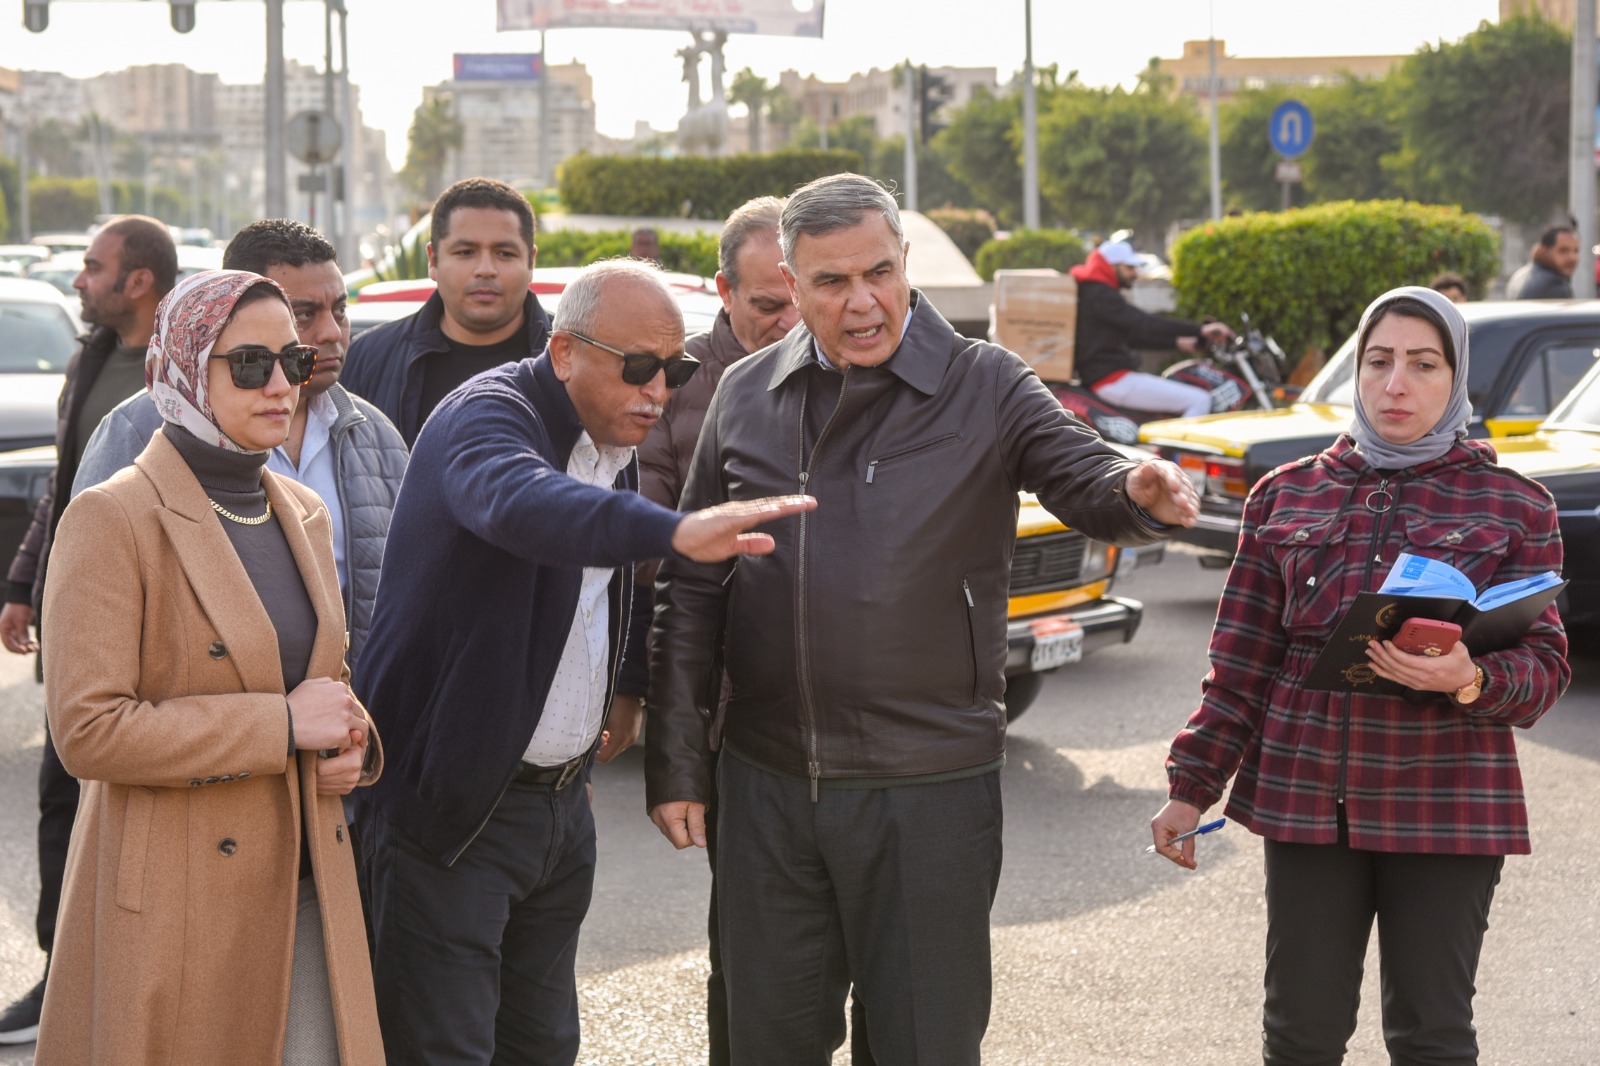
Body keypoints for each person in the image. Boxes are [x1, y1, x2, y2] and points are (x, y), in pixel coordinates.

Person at [646, 173, 1199, 1064]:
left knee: (923, 1045)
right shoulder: (744, 394)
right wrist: (677, 762)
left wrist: (1137, 491)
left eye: (879, 273)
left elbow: (1085, 473)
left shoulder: (986, 383)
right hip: (767, 788)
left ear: (906, 262)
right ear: (792, 283)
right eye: (831, 282)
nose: (862, 301)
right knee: (761, 1043)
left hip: (930, 791)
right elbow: (692, 588)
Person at [350, 259, 814, 1065]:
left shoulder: (611, 436)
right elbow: (526, 506)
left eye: (675, 370)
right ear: (564, 352)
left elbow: (597, 594)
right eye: (638, 367)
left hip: (557, 809)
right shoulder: (487, 415)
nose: (658, 391)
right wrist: (672, 531)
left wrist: (610, 704)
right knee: (443, 1048)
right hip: (453, 810)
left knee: (542, 1046)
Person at [1149, 286, 1569, 1065]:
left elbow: (1544, 667)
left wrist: (1469, 678)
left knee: (1431, 1037)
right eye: (1378, 362)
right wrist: (1191, 786)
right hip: (1309, 799)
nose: (1395, 384)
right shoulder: (1285, 494)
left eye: (1423, 364)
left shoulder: (1515, 505)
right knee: (1299, 1036)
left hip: (1447, 802)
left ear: (1456, 377)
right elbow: (1240, 663)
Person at [35, 270, 384, 1064]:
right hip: (181, 901)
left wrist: (352, 738)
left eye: (293, 362)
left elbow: (318, 682)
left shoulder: (301, 510)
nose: (280, 385)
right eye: (250, 364)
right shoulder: (114, 516)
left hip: (308, 883)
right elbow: (88, 732)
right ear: (187, 368)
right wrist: (282, 726)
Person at [73, 218, 408, 665]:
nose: (331, 332)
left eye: (340, 310)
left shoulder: (375, 436)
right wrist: (280, 707)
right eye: (305, 313)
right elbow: (88, 664)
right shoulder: (134, 434)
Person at [0, 214, 176, 1046]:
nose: (80, 279)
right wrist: (24, 583)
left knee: (143, 820)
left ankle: (140, 982)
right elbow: (64, 488)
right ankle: (60, 972)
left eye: (93, 266)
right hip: (81, 623)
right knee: (60, 799)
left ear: (138, 280)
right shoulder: (92, 357)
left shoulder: (188, 365)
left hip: (161, 633)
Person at [341, 176, 551, 444]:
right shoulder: (365, 360)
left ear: (531, 262)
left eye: (505, 253)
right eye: (465, 252)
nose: (485, 269)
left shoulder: (576, 357)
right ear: (433, 260)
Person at [1071, 237, 1234, 416]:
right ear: (1111, 266)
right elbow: (1144, 323)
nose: (1136, 273)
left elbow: (1131, 337)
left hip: (1111, 378)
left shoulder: (1096, 293)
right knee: (1200, 400)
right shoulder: (1100, 295)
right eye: (1129, 268)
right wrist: (1199, 329)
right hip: (1112, 380)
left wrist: (1176, 343)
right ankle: (1176, 437)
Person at [1505, 224, 1578, 300]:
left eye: (1576, 251)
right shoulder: (1554, 286)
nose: (1572, 258)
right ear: (1544, 250)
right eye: (1563, 251)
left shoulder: (1519, 275)